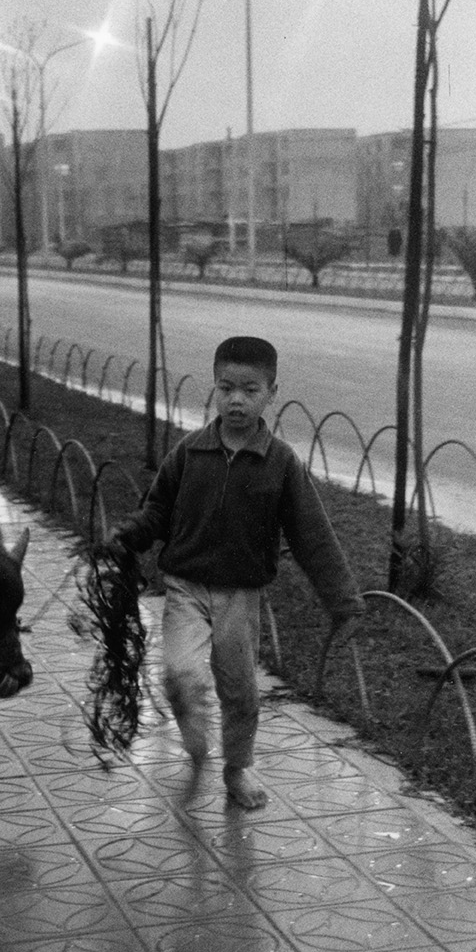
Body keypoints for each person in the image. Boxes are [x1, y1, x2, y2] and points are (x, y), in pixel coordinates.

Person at [108, 335, 365, 810]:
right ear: (214, 387)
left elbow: (312, 535)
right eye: (226, 388)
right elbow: (157, 510)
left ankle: (237, 769)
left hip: (240, 596)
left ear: (272, 393)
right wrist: (131, 533)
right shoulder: (190, 452)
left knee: (240, 690)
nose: (236, 401)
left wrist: (343, 602)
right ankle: (190, 721)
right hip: (185, 586)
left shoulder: (280, 463)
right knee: (181, 672)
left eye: (250, 390)